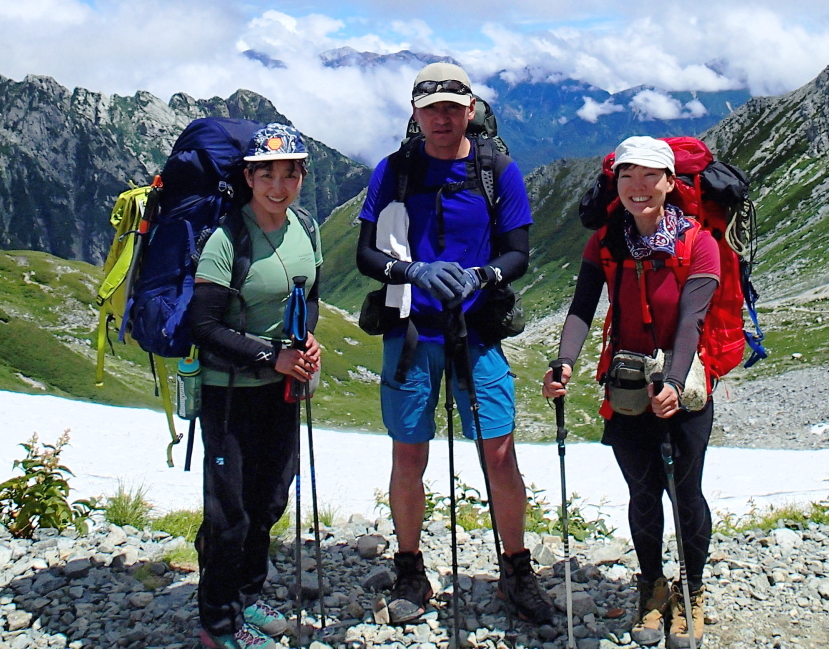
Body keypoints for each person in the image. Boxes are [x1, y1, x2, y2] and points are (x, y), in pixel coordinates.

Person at [356, 62, 555, 625]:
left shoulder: (497, 170)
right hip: (413, 330)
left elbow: (518, 251)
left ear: (471, 110)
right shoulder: (393, 172)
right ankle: (410, 567)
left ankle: (516, 568)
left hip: (477, 329)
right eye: (430, 109)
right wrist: (413, 271)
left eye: (452, 107)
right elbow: (366, 255)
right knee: (409, 453)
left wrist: (483, 277)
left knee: (498, 451)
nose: (441, 119)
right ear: (415, 114)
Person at [542, 136, 719, 648]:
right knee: (643, 492)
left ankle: (692, 591)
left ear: (670, 182)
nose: (637, 188)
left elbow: (692, 323)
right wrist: (564, 362)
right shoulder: (604, 241)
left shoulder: (698, 242)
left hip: (678, 385)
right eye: (626, 177)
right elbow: (581, 307)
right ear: (614, 183)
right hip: (625, 386)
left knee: (686, 494)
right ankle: (652, 585)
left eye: (648, 176)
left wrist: (675, 380)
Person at [187, 123, 323, 649]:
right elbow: (204, 327)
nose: (277, 185)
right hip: (228, 395)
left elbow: (309, 294)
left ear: (301, 177)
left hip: (279, 390)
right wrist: (275, 355)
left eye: (289, 173)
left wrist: (306, 338)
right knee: (230, 514)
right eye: (265, 173)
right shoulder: (226, 239)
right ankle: (217, 626)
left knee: (267, 500)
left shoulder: (304, 229)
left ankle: (247, 597)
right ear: (247, 176)